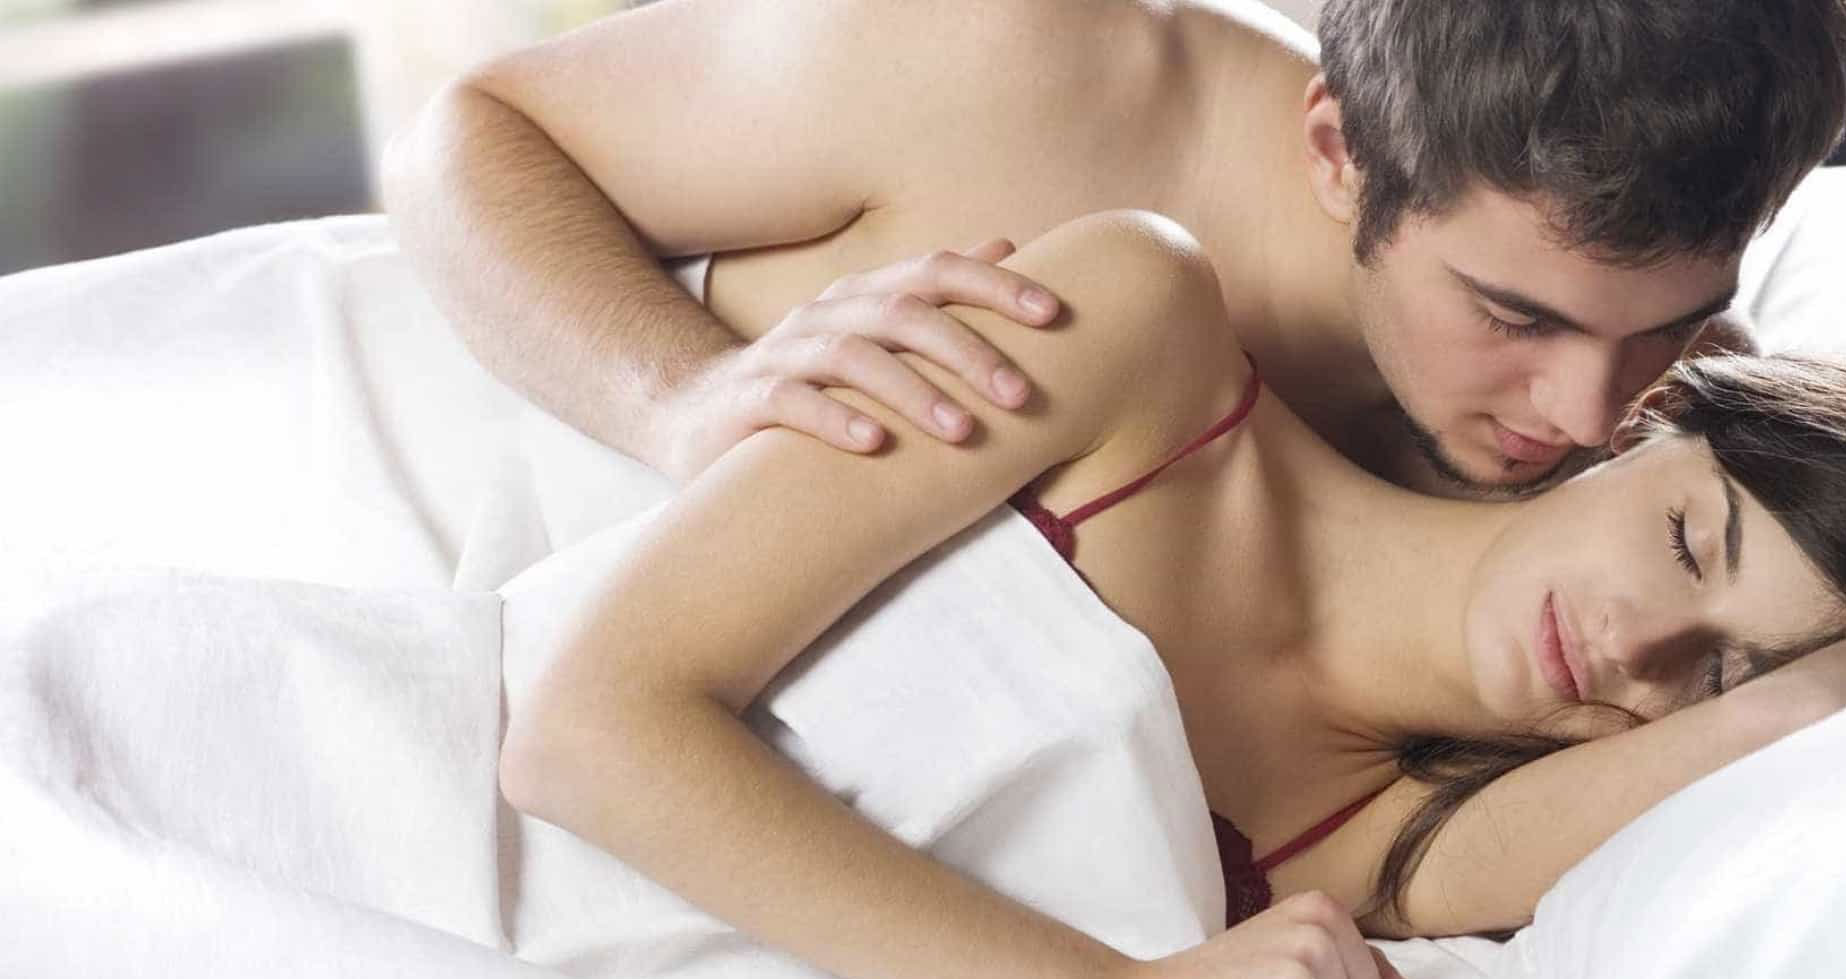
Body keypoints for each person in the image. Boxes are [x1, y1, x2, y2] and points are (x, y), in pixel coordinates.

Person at [497, 208, 1846, 979]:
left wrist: (1768, 697)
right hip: (454, 818)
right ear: (1639, 421)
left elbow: (1791, 725)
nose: (1635, 649)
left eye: (1716, 669)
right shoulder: (1138, 328)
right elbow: (584, 729)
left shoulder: (1411, 839)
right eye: (1688, 545)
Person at [381, 0, 1846, 499]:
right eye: (1514, 317)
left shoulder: (1655, 415)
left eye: (1661, 322)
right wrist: (676, 399)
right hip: (431, 419)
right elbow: (471, 134)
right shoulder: (1012, 61)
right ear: (1339, 153)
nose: (1583, 413)